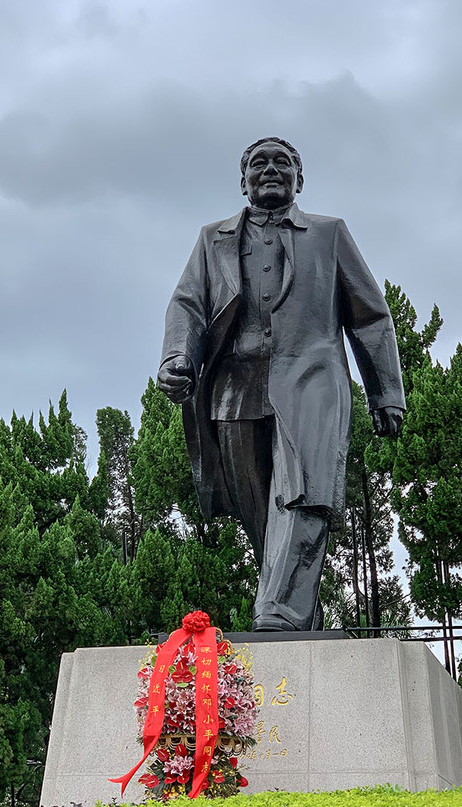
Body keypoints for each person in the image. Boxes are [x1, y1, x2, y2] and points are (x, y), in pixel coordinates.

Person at [158, 138, 405, 631]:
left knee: (303, 492)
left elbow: (371, 317)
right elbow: (188, 303)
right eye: (258, 164)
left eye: (283, 163)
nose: (270, 170)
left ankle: (279, 611)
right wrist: (177, 357)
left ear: (300, 178)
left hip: (310, 378)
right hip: (235, 384)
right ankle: (294, 606)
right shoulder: (213, 239)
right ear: (243, 179)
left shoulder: (329, 234)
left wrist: (385, 392)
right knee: (260, 510)